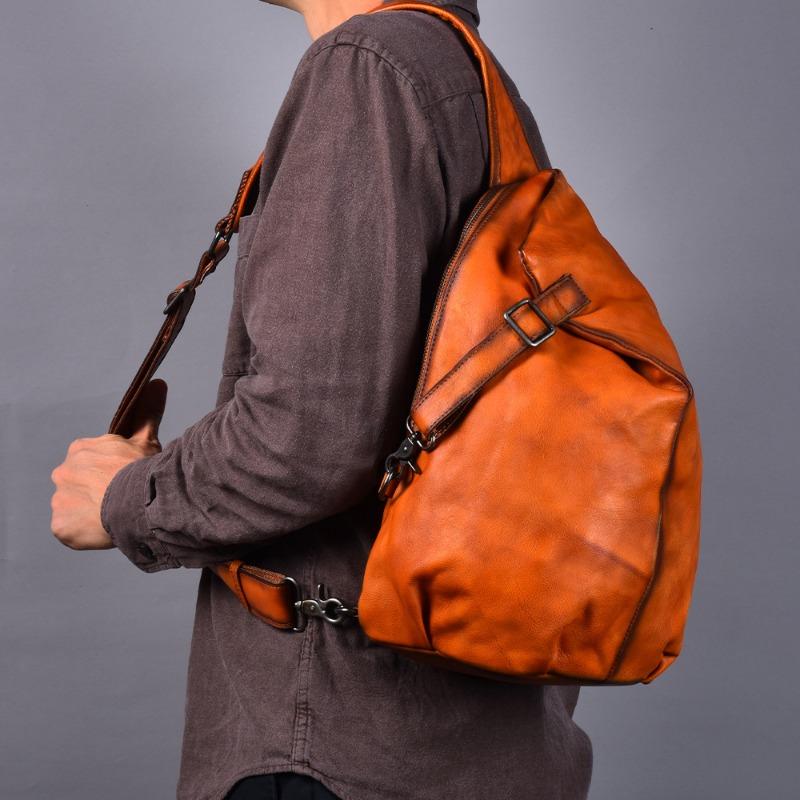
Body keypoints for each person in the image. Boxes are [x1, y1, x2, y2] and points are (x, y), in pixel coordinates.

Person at [49, 1, 593, 798]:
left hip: (336, 742)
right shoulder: (466, 77)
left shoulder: (368, 64)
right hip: (469, 747)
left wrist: (125, 500)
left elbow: (307, 435)